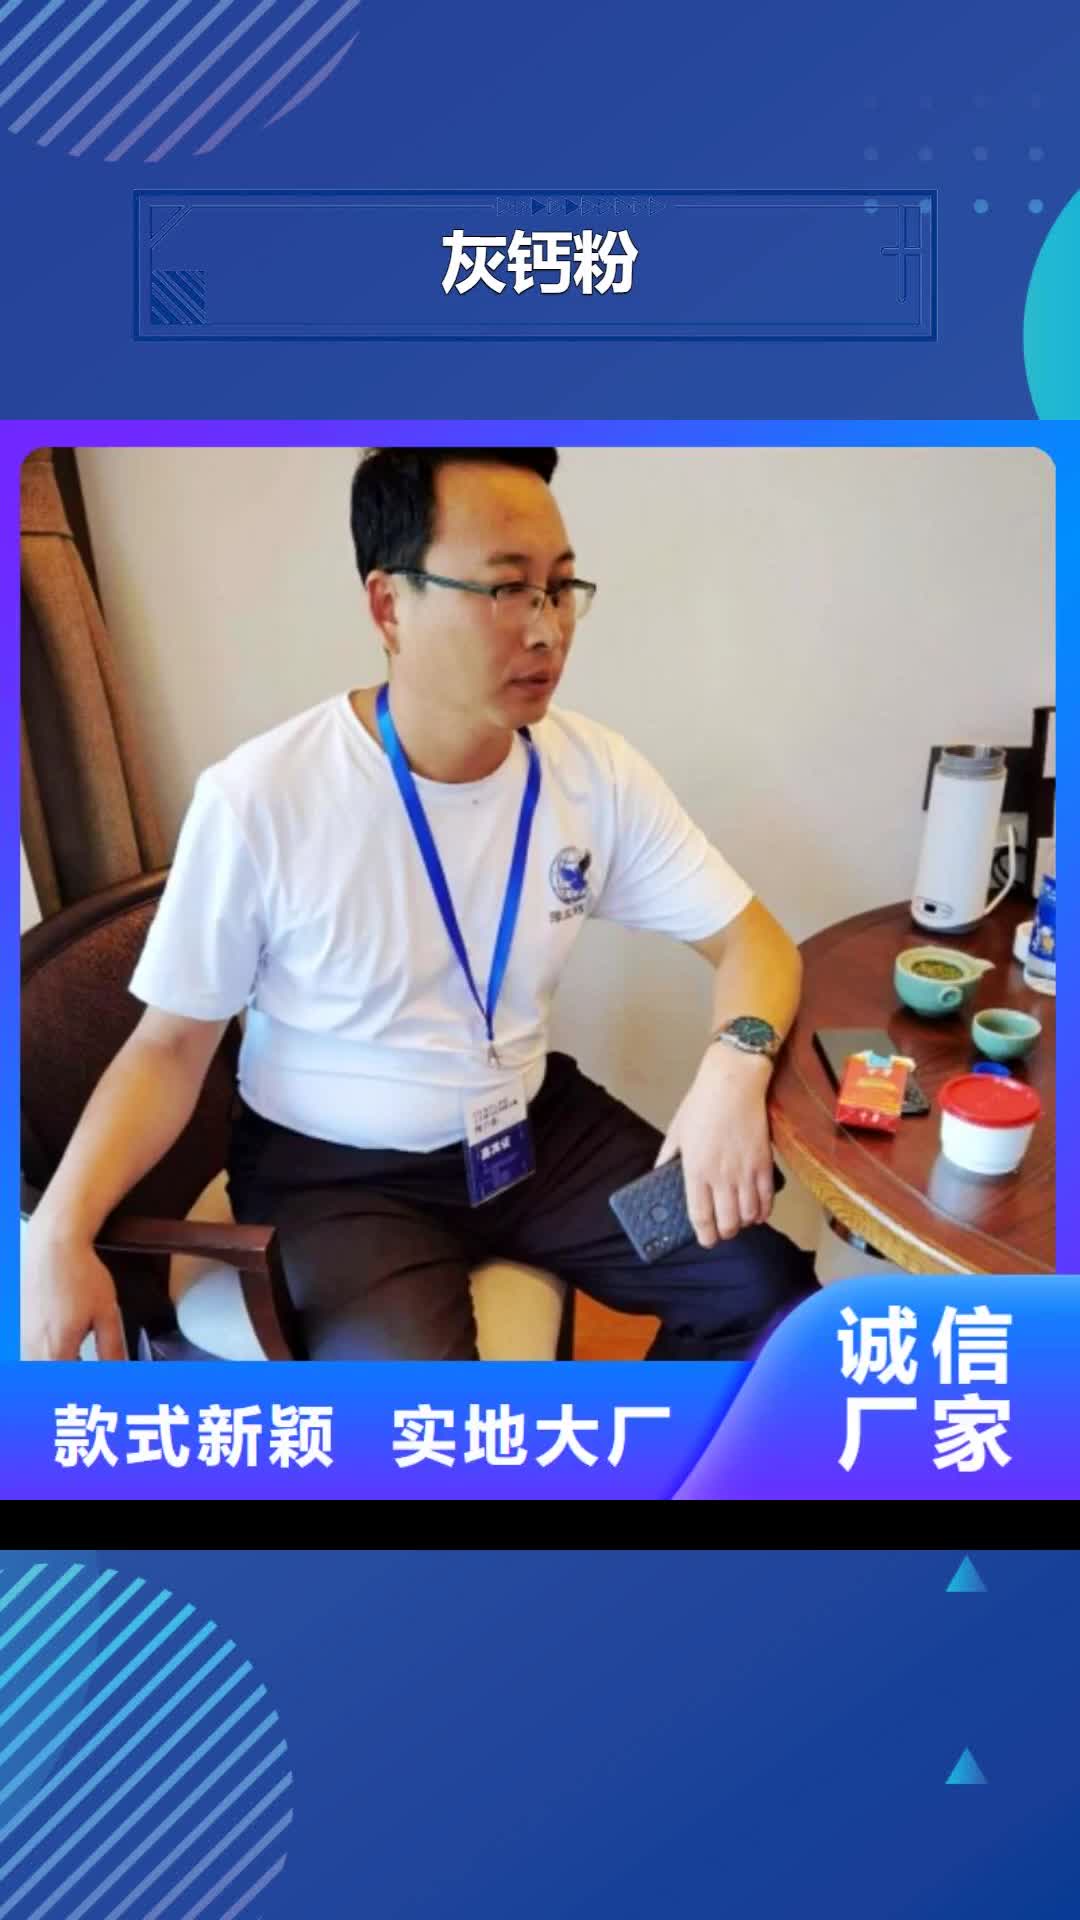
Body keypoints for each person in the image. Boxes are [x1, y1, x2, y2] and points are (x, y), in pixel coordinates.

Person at [21, 446, 818, 1363]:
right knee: (424, 1420)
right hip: (338, 1177)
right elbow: (169, 1046)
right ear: (389, 605)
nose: (547, 629)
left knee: (767, 1299)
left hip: (530, 1134)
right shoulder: (262, 798)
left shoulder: (593, 772)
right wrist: (59, 1232)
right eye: (506, 589)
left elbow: (755, 941)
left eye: (560, 588)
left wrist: (734, 1065)